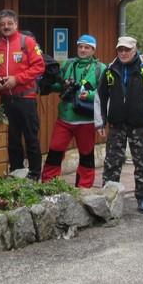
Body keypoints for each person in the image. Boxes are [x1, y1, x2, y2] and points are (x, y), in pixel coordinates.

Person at [94, 35, 143, 214]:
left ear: (135, 50)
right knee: (112, 163)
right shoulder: (110, 70)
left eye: (127, 49)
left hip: (139, 126)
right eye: (120, 49)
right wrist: (100, 123)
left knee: (142, 163)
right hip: (116, 125)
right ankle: (109, 198)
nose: (123, 53)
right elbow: (100, 97)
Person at [0, 9, 45, 180]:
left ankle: (34, 175)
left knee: (31, 138)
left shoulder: (28, 42)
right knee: (12, 138)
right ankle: (16, 172)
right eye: (3, 24)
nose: (6, 27)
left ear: (16, 24)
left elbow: (39, 67)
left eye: (9, 23)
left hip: (26, 99)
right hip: (6, 99)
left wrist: (17, 79)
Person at [41, 34, 105, 187]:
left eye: (87, 47)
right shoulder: (68, 64)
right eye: (80, 46)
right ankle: (48, 185)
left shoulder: (100, 68)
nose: (83, 50)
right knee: (55, 151)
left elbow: (104, 93)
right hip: (65, 118)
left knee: (86, 155)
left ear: (93, 50)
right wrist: (48, 86)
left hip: (86, 120)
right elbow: (59, 86)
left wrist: (89, 95)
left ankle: (84, 187)